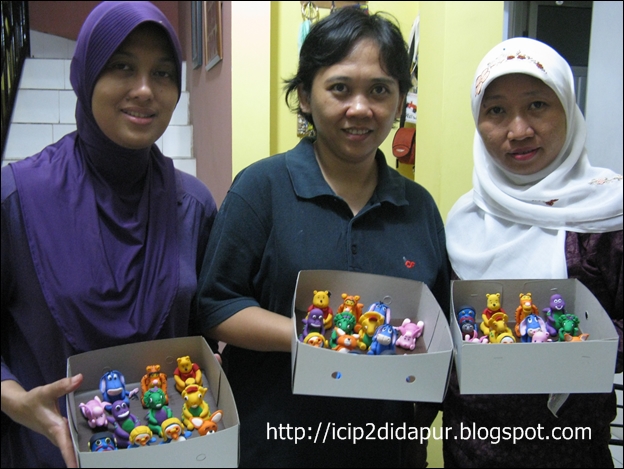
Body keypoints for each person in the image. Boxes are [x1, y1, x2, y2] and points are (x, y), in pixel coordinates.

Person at [194, 8, 450, 468]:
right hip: (274, 446)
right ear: (306, 97)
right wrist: (315, 337)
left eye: (380, 90)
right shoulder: (262, 188)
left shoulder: (419, 207)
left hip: (385, 450)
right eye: (340, 88)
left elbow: (438, 329)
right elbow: (216, 306)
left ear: (399, 102)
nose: (360, 108)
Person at [0, 2, 217, 467]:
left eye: (163, 73)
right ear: (86, 75)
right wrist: (13, 398)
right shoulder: (17, 199)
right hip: (50, 453)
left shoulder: (193, 206)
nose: (145, 90)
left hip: (167, 448)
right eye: (122, 67)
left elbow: (199, 333)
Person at [444, 37, 623, 467]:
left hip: (570, 450)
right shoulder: (465, 219)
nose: (519, 130)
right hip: (468, 449)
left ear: (568, 108)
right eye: (496, 111)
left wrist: (576, 352)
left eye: (538, 105)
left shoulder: (607, 215)